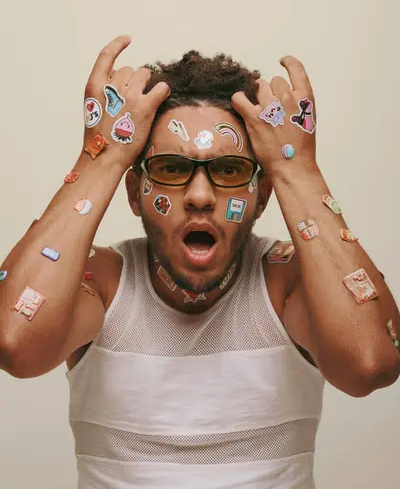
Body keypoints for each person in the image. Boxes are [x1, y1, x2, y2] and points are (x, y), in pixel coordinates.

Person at [0, 35, 399, 489]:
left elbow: (370, 363)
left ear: (263, 194)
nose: (200, 197)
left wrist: (296, 169)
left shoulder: (288, 281)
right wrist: (102, 157)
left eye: (230, 171)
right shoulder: (101, 283)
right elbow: (15, 343)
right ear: (135, 192)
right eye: (171, 169)